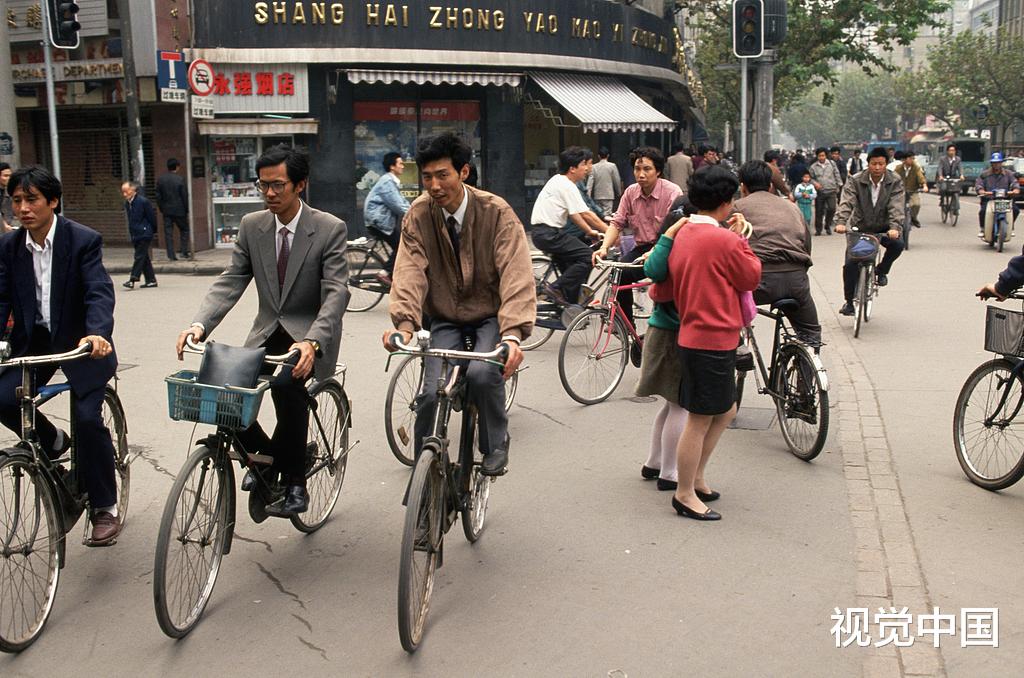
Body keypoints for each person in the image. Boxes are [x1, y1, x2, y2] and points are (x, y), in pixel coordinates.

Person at [175, 145, 350, 516]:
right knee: (219, 390)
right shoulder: (252, 226)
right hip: (266, 334)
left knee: (287, 385)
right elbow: (232, 279)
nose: (269, 193)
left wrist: (312, 341)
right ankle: (269, 457)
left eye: (278, 185)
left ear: (300, 184)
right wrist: (198, 324)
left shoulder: (329, 228)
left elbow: (336, 293)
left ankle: (296, 482)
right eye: (263, 185)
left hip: (309, 336)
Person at [383, 132, 535, 477]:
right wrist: (404, 325)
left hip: (489, 315)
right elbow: (409, 269)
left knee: (482, 375)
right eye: (427, 177)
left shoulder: (496, 212)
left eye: (443, 175)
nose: (434, 186)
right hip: (445, 317)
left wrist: (513, 334)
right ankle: (426, 470)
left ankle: (495, 443)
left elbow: (516, 274)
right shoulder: (419, 214)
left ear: (463, 172)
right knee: (430, 393)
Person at [0, 166, 120, 544]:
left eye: (31, 199)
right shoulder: (9, 246)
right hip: (35, 342)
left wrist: (97, 334)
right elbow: (1, 300)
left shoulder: (82, 240)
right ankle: (52, 441)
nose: (23, 208)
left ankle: (105, 506)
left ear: (52, 201)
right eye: (16, 200)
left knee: (87, 420)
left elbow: (98, 291)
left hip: (81, 343)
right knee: (3, 398)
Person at [649, 165, 762, 521]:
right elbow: (751, 276)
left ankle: (695, 477)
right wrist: (742, 239)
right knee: (700, 418)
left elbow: (662, 282)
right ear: (727, 201)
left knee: (723, 410)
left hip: (693, 334)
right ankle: (684, 492)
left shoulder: (683, 233)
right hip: (712, 338)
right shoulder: (726, 240)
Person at [594, 147, 682, 329]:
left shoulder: (672, 192)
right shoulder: (630, 193)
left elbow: (676, 230)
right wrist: (603, 248)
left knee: (665, 287)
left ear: (658, 171)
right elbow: (617, 223)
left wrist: (657, 252)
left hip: (668, 248)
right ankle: (626, 327)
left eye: (647, 169)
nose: (641, 174)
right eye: (637, 169)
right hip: (642, 248)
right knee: (620, 273)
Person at [735, 160, 820, 345]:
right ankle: (809, 361)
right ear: (770, 185)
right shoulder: (792, 207)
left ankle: (740, 352)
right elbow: (806, 245)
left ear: (743, 186)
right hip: (795, 280)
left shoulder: (736, 208)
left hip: (756, 282)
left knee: (727, 321)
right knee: (810, 332)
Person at [834, 146, 906, 316]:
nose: (877, 168)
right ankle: (849, 302)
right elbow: (847, 201)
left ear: (886, 164)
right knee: (850, 264)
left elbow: (896, 205)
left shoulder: (894, 181)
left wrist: (895, 227)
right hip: (861, 227)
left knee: (898, 245)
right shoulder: (856, 180)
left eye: (881, 164)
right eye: (874, 164)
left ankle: (881, 271)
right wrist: (841, 222)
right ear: (868, 164)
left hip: (884, 228)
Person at [530, 146, 602, 305]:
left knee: (571, 268)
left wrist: (590, 231)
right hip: (550, 235)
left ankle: (568, 307)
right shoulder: (567, 185)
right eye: (583, 164)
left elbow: (575, 215)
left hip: (542, 233)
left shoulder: (557, 180)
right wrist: (610, 230)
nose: (586, 168)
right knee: (587, 257)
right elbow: (586, 214)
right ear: (572, 169)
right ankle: (554, 288)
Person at [363, 151, 411, 281]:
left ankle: (392, 275)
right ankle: (384, 273)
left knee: (400, 244)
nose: (403, 166)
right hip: (379, 222)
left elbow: (402, 201)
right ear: (392, 166)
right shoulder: (387, 182)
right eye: (400, 163)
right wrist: (415, 215)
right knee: (402, 246)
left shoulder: (390, 181)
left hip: (380, 221)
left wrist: (414, 210)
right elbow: (398, 205)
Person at [120, 180, 158, 289]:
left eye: (126, 191)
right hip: (135, 233)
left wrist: (151, 230)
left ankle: (133, 278)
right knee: (144, 257)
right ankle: (151, 280)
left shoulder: (143, 201)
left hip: (144, 232)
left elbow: (151, 217)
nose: (125, 194)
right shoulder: (128, 203)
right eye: (123, 192)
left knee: (139, 256)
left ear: (133, 190)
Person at [975, 152, 1021, 239]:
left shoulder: (1008, 174)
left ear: (1001, 163)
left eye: (998, 162)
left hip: (1005, 199)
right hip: (989, 199)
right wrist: (981, 190)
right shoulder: (985, 174)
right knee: (983, 211)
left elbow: (1014, 182)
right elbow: (979, 184)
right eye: (994, 163)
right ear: (991, 163)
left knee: (1015, 210)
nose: (996, 165)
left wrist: (1016, 189)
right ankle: (982, 229)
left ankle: (1010, 226)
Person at [155, 158, 190, 260]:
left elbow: (158, 197)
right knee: (184, 230)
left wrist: (162, 208)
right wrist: (186, 209)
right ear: (177, 167)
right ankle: (184, 251)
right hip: (180, 210)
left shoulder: (161, 180)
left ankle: (171, 255)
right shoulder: (180, 179)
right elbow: (184, 196)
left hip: (167, 210)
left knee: (168, 233)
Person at [809, 147, 843, 235]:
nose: (821, 157)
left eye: (823, 155)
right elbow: (810, 178)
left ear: (826, 156)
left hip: (831, 190)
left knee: (832, 209)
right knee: (819, 211)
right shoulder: (813, 167)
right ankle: (818, 229)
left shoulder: (831, 164)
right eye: (820, 156)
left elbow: (836, 174)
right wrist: (815, 183)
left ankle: (827, 225)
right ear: (817, 156)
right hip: (820, 191)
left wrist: (839, 185)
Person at [894, 152, 929, 229]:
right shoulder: (898, 168)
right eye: (910, 158)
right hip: (900, 191)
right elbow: (894, 178)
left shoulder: (916, 168)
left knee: (916, 204)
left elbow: (921, 177)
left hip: (913, 191)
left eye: (913, 158)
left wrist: (924, 185)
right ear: (904, 160)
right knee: (896, 206)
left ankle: (913, 218)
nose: (912, 160)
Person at [587, 146, 623, 213]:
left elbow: (590, 182)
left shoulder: (594, 167)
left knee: (598, 214)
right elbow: (617, 180)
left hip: (597, 195)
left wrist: (588, 195)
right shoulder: (612, 166)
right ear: (608, 155)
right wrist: (619, 192)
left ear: (598, 156)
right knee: (607, 214)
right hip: (608, 195)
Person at [0, 162, 14, 231]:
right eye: (5, 176)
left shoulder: (9, 192)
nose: (9, 178)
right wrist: (4, 224)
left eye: (10, 176)